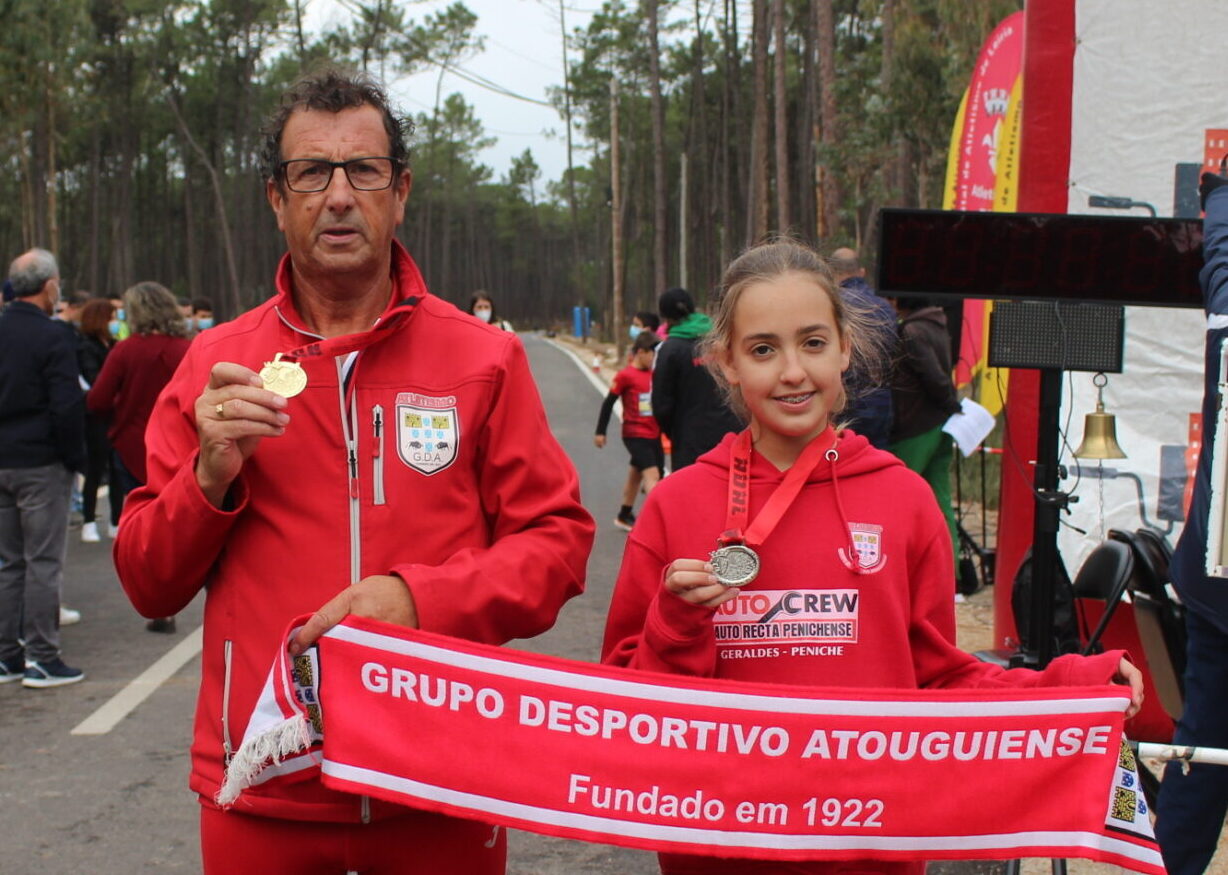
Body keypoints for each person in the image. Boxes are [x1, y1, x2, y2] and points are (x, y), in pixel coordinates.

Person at [112, 69, 593, 872]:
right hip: (264, 790)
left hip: (438, 783)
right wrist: (208, 482)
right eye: (312, 172)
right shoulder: (217, 365)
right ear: (277, 197)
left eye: (362, 170)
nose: (339, 195)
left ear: (399, 191)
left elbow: (558, 544)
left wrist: (418, 598)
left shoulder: (484, 360)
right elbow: (146, 582)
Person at [601, 239, 1143, 875]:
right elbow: (626, 711)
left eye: (812, 342)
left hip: (869, 852)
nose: (792, 371)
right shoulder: (676, 504)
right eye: (762, 349)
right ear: (725, 364)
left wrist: (1068, 686)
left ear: (845, 349)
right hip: (722, 852)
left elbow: (939, 679)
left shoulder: (905, 500)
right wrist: (674, 623)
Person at [1154, 169, 1228, 875]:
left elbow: (1223, 260)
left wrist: (1221, 197)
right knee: (1202, 748)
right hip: (1217, 583)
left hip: (1216, 581)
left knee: (1203, 750)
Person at [0, 248, 86, 688]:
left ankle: (7, 656)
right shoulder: (53, 336)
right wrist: (76, 459)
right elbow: (66, 405)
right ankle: (42, 656)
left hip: (4, 459)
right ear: (50, 286)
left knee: (10, 563)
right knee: (42, 562)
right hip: (40, 461)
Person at [89, 282, 191, 633]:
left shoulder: (124, 351)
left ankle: (156, 600)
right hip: (180, 448)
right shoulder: (187, 349)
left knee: (143, 526)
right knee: (181, 521)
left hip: (133, 448)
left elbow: (99, 400)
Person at [888, 296, 963, 575]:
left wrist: (949, 402)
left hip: (916, 427)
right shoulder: (938, 323)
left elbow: (932, 375)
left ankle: (904, 571)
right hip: (941, 424)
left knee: (899, 500)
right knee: (941, 500)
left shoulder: (911, 331)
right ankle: (949, 572)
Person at [651, 286, 740, 470]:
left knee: (694, 494)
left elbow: (661, 405)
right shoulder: (720, 339)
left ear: (665, 317)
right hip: (734, 435)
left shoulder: (670, 350)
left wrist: (674, 431)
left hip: (691, 443)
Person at [594, 330, 664, 531]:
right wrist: (601, 432)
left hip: (653, 432)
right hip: (635, 434)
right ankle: (658, 524)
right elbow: (608, 403)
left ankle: (624, 514)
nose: (654, 358)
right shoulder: (625, 375)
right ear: (641, 352)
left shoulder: (654, 374)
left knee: (636, 475)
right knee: (653, 477)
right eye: (652, 354)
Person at [829, 247, 895, 449]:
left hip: (841, 402)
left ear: (832, 274)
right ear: (862, 272)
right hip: (880, 401)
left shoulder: (831, 306)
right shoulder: (884, 307)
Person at [78, 298, 121, 543]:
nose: (116, 323)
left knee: (116, 469)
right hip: (95, 417)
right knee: (94, 470)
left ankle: (116, 520)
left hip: (116, 415)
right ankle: (89, 521)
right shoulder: (85, 347)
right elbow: (93, 380)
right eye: (112, 317)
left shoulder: (115, 345)